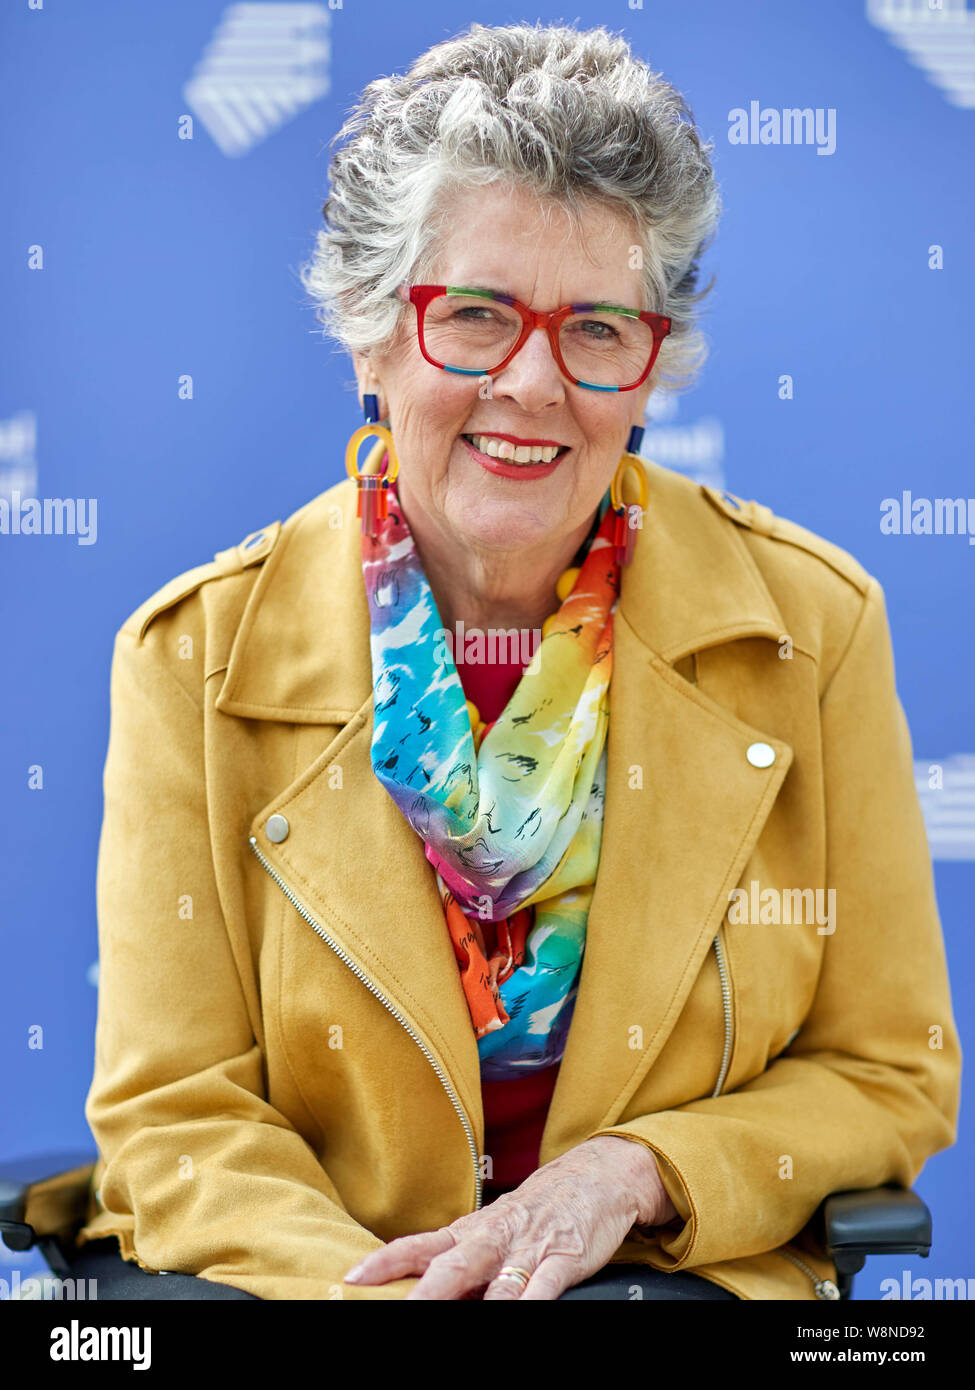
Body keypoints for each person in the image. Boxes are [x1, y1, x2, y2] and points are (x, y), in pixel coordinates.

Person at [76, 21, 960, 1301]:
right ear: (372, 338)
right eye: (476, 316)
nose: (535, 384)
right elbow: (174, 1120)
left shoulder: (814, 627)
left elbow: (890, 1068)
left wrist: (637, 1169)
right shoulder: (191, 657)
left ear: (651, 368)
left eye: (598, 328)